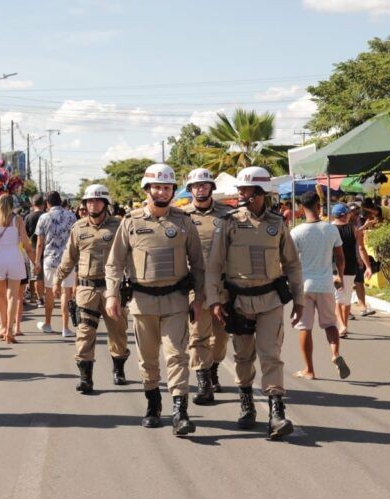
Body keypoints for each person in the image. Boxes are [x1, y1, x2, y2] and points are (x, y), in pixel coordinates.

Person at [105, 163, 204, 436]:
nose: (162, 192)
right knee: (148, 359)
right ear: (146, 190)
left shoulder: (184, 222)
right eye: (157, 187)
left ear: (173, 190)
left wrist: (198, 298)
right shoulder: (130, 222)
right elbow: (114, 263)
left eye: (167, 187)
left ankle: (180, 412)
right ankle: (153, 405)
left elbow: (198, 264)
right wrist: (112, 294)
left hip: (176, 301)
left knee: (177, 356)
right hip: (142, 302)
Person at [206, 166, 304, 440]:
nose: (241, 193)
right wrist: (214, 300)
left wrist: (299, 300)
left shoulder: (278, 224)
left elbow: (292, 265)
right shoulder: (228, 222)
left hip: (270, 300)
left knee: (271, 354)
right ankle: (247, 403)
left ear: (260, 193)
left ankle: (276, 412)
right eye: (240, 188)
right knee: (243, 356)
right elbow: (214, 266)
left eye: (246, 189)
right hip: (238, 302)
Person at [55, 184, 129, 394]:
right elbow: (69, 257)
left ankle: (118, 369)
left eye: (97, 201)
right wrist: (58, 279)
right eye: (89, 201)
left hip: (112, 289)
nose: (92, 205)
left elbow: (130, 255)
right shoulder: (78, 228)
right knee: (84, 332)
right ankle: (86, 378)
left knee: (118, 331)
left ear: (105, 204)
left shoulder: (118, 226)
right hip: (86, 289)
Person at [182, 168, 233, 405]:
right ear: (190, 189)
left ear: (212, 187)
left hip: (223, 286)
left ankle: (213, 368)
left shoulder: (227, 214)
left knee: (221, 338)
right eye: (196, 185)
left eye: (204, 185)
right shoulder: (181, 216)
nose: (200, 189)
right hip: (197, 285)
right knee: (198, 335)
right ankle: (203, 383)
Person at [290, 192, 350, 380]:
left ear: (301, 208)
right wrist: (340, 277)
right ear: (319, 206)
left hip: (305, 286)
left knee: (305, 328)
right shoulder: (331, 230)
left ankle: (309, 370)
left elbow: (291, 262)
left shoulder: (296, 232)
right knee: (330, 324)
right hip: (325, 285)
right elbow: (340, 258)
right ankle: (335, 354)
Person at [0, 193, 36, 343]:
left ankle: (3, 327)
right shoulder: (17, 220)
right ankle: (10, 330)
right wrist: (35, 262)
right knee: (13, 296)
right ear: (13, 205)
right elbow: (26, 244)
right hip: (15, 257)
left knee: (0, 295)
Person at [35, 191, 77, 336]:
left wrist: (37, 261)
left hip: (49, 260)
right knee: (66, 292)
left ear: (47, 203)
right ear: (60, 201)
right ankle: (65, 327)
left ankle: (48, 324)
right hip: (67, 260)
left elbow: (39, 243)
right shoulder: (71, 216)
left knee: (49, 292)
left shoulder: (44, 217)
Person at [332, 203, 373, 336]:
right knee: (346, 299)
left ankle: (342, 325)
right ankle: (344, 326)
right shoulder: (354, 229)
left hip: (334, 268)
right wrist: (368, 266)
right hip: (350, 267)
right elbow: (361, 248)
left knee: (337, 299)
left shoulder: (329, 229)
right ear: (345, 215)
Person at [25, 194, 46, 307]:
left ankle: (39, 299)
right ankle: (48, 296)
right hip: (47, 248)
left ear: (33, 204)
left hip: (33, 248)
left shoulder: (28, 217)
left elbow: (25, 234)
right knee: (48, 275)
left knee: (37, 276)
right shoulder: (47, 216)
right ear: (43, 204)